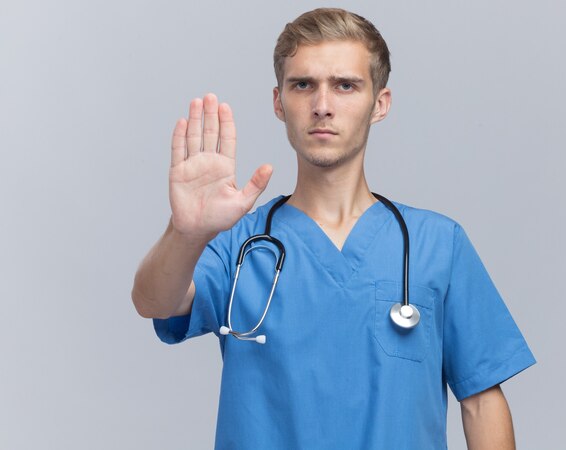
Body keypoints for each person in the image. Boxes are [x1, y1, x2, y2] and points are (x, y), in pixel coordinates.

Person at [132, 7, 535, 449]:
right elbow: (155, 301)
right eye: (303, 85)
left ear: (379, 104)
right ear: (278, 102)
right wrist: (185, 233)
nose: (322, 106)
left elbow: (480, 401)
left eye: (345, 85)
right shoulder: (240, 244)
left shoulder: (437, 244)